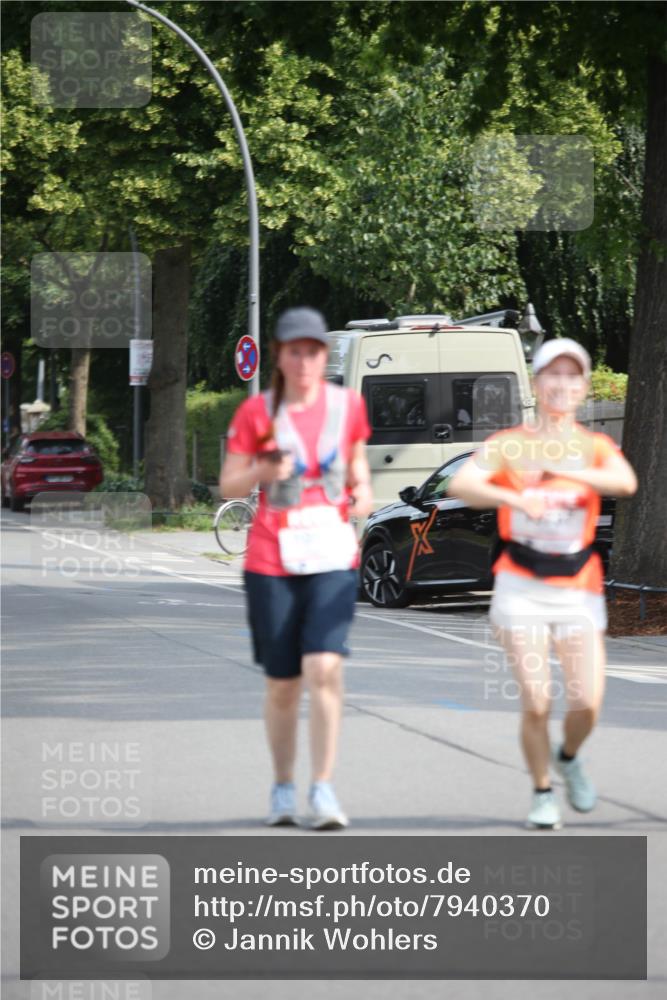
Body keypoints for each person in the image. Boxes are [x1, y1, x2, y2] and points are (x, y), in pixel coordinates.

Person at [449, 338, 637, 830]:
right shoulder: (511, 444)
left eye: (572, 377)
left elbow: (625, 482)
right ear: (537, 383)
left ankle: (569, 756)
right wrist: (515, 498)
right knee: (537, 698)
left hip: (577, 586)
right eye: (552, 375)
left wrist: (567, 469)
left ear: (583, 388)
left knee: (588, 702)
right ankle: (541, 793)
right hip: (521, 586)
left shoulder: (595, 447)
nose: (562, 384)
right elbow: (462, 485)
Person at [219, 307, 372, 830]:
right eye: (293, 352)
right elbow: (230, 485)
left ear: (323, 356)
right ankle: (283, 787)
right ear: (280, 358)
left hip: (331, 555)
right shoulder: (257, 414)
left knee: (325, 667)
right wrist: (263, 468)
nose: (304, 361)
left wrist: (364, 500)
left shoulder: (347, 407)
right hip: (272, 560)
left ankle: (323, 789)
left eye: (312, 351)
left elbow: (359, 471)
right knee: (284, 682)